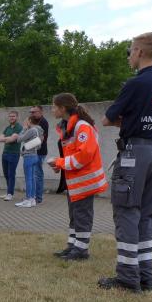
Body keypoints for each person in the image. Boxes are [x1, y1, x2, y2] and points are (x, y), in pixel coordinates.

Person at [99, 32, 152, 292]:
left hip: (135, 152)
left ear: (140, 52)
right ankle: (146, 277)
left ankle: (127, 277)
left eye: (130, 51)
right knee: (147, 215)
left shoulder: (135, 84)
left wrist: (129, 122)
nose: (129, 56)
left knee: (126, 212)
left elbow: (107, 118)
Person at [47, 93, 108, 261]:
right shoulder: (69, 126)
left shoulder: (82, 127)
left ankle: (81, 250)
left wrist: (59, 162)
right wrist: (59, 165)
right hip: (75, 181)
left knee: (82, 215)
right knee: (75, 214)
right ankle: (73, 245)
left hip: (84, 181)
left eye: (54, 106)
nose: (52, 110)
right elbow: (72, 154)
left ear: (63, 108)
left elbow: (83, 156)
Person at [15, 116, 43, 208]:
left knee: (28, 179)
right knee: (32, 178)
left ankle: (28, 199)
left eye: (26, 120)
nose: (25, 122)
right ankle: (32, 199)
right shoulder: (38, 130)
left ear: (30, 121)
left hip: (29, 156)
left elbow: (19, 139)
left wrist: (23, 129)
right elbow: (39, 145)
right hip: (35, 155)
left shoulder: (31, 130)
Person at [0, 111, 22, 201]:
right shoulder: (7, 128)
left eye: (13, 116)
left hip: (14, 153)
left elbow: (12, 140)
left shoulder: (19, 127)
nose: (11, 118)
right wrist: (8, 138)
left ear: (17, 117)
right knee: (6, 173)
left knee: (11, 174)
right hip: (5, 153)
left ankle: (10, 194)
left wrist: (6, 139)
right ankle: (8, 191)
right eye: (10, 116)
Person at [29, 105, 50, 203]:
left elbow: (40, 139)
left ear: (41, 112)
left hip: (40, 152)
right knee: (33, 174)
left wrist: (28, 145)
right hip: (34, 152)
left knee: (38, 175)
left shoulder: (43, 122)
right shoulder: (34, 121)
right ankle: (32, 196)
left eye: (34, 112)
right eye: (31, 112)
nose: (32, 114)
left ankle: (38, 198)